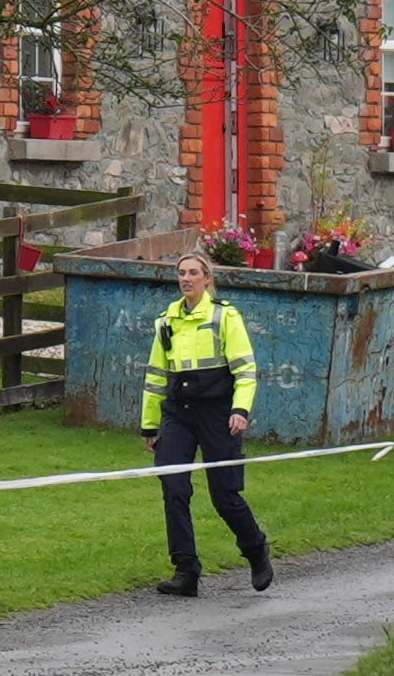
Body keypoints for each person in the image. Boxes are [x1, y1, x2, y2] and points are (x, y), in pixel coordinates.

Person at [141, 251, 272, 596]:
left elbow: (246, 370)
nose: (186, 279)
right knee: (174, 488)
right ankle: (186, 570)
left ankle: (256, 549)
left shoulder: (224, 316)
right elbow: (155, 376)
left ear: (207, 278)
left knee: (224, 495)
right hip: (178, 413)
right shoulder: (166, 320)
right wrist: (150, 426)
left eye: (193, 273)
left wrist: (240, 410)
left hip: (218, 413)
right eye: (181, 273)